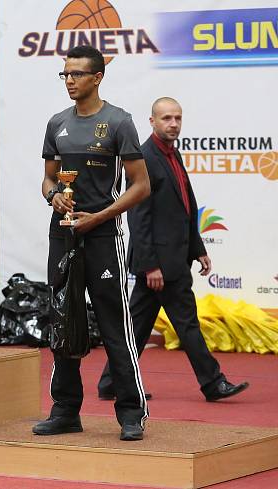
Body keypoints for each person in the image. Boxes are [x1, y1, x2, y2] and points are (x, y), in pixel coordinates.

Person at [96, 97, 249, 402]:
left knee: (137, 326)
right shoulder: (146, 157)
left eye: (178, 118)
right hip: (161, 266)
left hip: (173, 259)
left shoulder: (171, 153)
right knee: (187, 324)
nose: (174, 123)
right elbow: (138, 215)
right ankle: (212, 383)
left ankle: (112, 381)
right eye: (166, 118)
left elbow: (185, 207)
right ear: (152, 121)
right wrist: (151, 265)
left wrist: (198, 248)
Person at [34, 45, 151, 441]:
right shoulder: (56, 123)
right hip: (62, 233)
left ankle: (131, 413)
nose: (69, 80)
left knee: (115, 324)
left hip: (102, 235)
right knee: (63, 319)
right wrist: (55, 197)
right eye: (65, 74)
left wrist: (98, 217)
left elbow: (141, 186)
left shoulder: (119, 122)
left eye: (77, 74)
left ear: (97, 77)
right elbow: (48, 179)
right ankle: (65, 410)